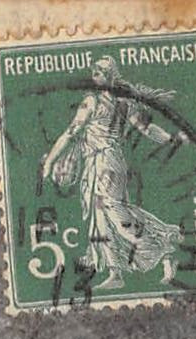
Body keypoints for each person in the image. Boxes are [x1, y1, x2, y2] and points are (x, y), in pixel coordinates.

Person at [40, 55, 186, 290]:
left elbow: (70, 132)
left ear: (109, 76)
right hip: (103, 162)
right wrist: (170, 139)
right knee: (103, 216)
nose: (94, 74)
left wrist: (50, 163)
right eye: (94, 70)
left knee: (116, 214)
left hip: (105, 163)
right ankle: (116, 271)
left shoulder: (95, 102)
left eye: (99, 71)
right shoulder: (122, 103)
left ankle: (162, 249)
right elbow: (147, 129)